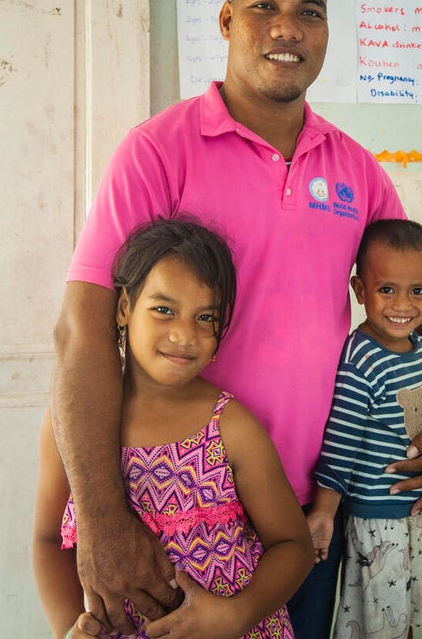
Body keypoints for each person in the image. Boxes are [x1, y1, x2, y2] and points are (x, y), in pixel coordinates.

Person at [50, 0, 422, 639]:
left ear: (327, 34)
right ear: (225, 21)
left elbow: (415, 290)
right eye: (264, 7)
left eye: (309, 12)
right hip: (172, 517)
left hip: (302, 522)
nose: (287, 27)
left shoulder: (356, 171)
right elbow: (82, 331)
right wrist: (103, 518)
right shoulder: (159, 151)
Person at [34, 218, 314, 639]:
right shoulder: (73, 423)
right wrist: (67, 628)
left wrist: (236, 615)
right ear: (125, 307)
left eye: (205, 317)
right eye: (164, 310)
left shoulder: (229, 426)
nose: (185, 334)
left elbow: (294, 547)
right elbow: (46, 540)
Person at [307, 219, 422, 639]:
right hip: (375, 520)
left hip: (407, 513)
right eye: (387, 290)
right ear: (360, 290)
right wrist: (325, 512)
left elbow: (418, 422)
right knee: (379, 626)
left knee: (404, 618)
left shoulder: (418, 346)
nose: (403, 304)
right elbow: (341, 441)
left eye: (417, 291)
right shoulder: (361, 357)